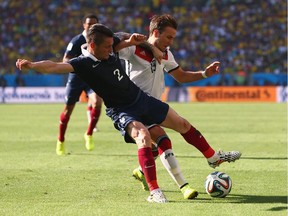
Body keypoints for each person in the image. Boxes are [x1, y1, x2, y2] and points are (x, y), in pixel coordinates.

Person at [16, 23, 239, 203]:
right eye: (106, 48)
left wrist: (133, 42)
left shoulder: (112, 46)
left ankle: (212, 157)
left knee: (182, 124)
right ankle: (155, 191)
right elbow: (54, 66)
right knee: (144, 138)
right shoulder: (83, 63)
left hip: (141, 99)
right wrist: (32, 65)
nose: (111, 51)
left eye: (112, 46)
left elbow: (130, 41)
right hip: (121, 110)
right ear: (92, 45)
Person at [118, 14, 241, 197]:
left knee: (182, 126)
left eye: (173, 38)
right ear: (155, 32)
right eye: (168, 37)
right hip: (135, 107)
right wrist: (148, 45)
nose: (171, 42)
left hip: (154, 106)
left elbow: (181, 76)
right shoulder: (133, 49)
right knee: (162, 139)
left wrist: (205, 74)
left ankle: (211, 159)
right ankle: (182, 187)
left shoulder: (166, 54)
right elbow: (116, 37)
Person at [56, 14, 103, 155]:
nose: (91, 27)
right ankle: (61, 140)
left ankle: (89, 134)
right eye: (89, 24)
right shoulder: (77, 41)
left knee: (98, 102)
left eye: (94, 24)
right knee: (67, 111)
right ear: (84, 25)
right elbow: (66, 60)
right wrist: (81, 64)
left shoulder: (99, 41)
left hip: (90, 79)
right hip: (76, 78)